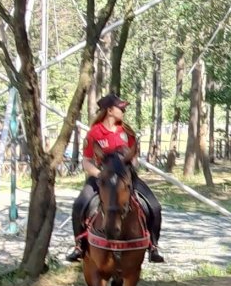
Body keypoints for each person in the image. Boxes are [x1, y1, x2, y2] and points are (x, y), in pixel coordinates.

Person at [64, 94, 165, 263]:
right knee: (79, 205)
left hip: (126, 179)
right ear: (110, 110)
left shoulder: (127, 132)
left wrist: (130, 163)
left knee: (154, 206)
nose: (124, 111)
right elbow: (87, 161)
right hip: (101, 179)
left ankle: (153, 246)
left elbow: (134, 158)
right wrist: (100, 174)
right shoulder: (94, 133)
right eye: (121, 108)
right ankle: (79, 246)